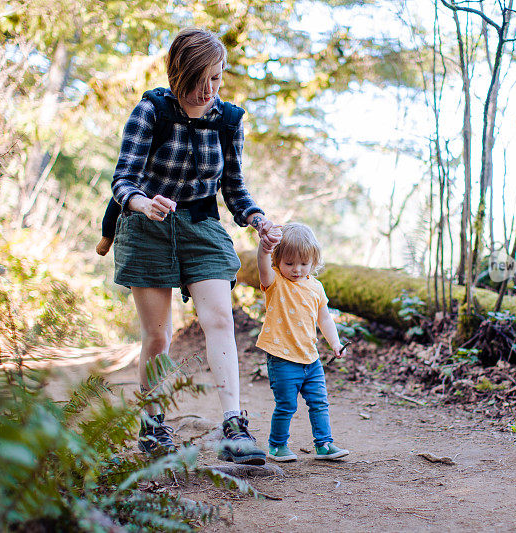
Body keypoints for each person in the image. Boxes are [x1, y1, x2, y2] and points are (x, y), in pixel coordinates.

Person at [110, 27, 278, 464]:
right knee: (158, 336)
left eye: (216, 79)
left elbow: (235, 189)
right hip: (146, 226)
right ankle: (153, 425)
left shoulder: (228, 121)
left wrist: (257, 219)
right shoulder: (151, 111)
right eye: (199, 79)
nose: (208, 90)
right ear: (178, 74)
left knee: (220, 319)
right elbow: (122, 179)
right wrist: (144, 203)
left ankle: (234, 427)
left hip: (201, 225)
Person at [256, 222, 350, 462]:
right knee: (286, 404)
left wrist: (335, 344)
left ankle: (324, 444)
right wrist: (264, 249)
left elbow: (325, 319)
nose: (296, 269)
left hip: (311, 358)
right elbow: (263, 267)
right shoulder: (276, 282)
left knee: (319, 403)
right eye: (289, 263)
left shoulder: (316, 287)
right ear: (278, 261)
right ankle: (277, 446)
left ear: (313, 262)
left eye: (303, 263)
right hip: (282, 357)